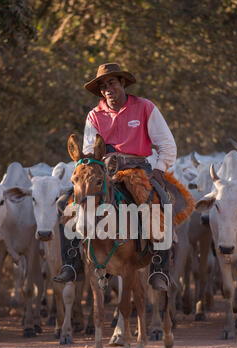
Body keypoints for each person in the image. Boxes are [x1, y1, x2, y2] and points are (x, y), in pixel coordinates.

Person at [54, 63, 177, 290]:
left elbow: (167, 145)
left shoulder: (145, 107)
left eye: (111, 83)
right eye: (102, 86)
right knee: (64, 202)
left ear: (122, 83)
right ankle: (72, 263)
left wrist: (159, 171)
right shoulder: (94, 115)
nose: (107, 89)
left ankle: (160, 267)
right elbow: (89, 151)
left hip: (138, 168)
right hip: (103, 171)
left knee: (161, 200)